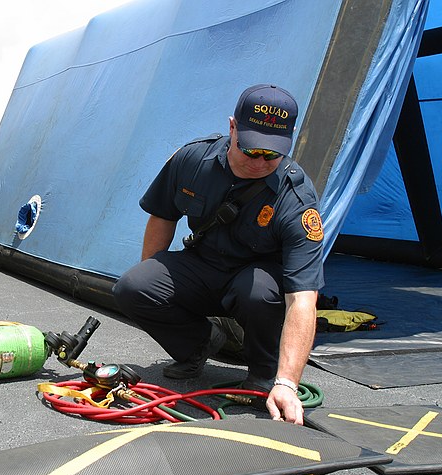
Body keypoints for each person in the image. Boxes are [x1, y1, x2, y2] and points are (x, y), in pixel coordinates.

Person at [112, 84, 324, 425]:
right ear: (232, 127)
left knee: (257, 291)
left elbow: (303, 299)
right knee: (134, 286)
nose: (259, 162)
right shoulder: (192, 160)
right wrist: (154, 283)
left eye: (272, 154)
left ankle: (263, 373)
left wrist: (287, 382)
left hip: (255, 280)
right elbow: (162, 216)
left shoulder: (296, 199)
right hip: (202, 264)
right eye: (251, 150)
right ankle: (199, 344)